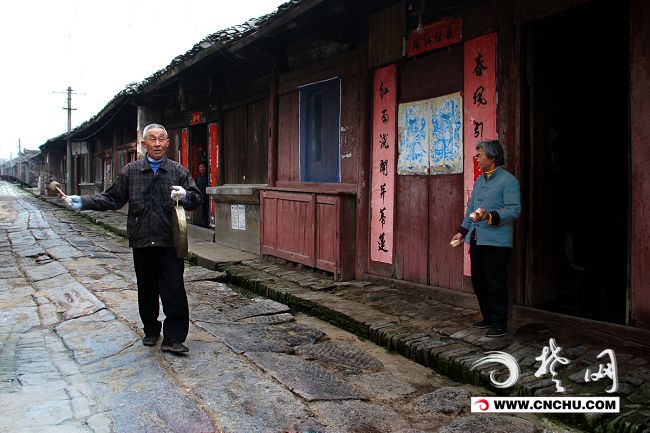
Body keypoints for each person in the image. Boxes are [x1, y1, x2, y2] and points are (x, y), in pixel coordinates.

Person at [62, 123, 202, 354]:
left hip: (171, 241)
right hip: (142, 240)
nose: (157, 143)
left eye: (161, 139)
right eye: (152, 139)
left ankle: (174, 338)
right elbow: (112, 199)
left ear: (168, 143)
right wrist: (83, 202)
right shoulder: (131, 171)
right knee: (147, 288)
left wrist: (186, 196)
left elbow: (197, 198)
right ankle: (151, 330)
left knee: (174, 289)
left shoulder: (178, 171)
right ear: (144, 143)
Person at [450, 139, 521, 338]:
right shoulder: (480, 180)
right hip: (476, 238)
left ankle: (500, 323)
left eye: (480, 155)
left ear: (493, 157)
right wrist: (462, 231)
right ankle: (488, 317)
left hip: (497, 241)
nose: (477, 159)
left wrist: (490, 216)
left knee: (495, 281)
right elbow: (471, 209)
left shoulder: (508, 181)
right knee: (479, 280)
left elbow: (514, 210)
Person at [195, 162, 209, 228]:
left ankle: (207, 223)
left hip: (207, 196)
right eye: (200, 167)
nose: (202, 168)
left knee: (207, 209)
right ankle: (203, 223)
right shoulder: (198, 177)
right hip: (201, 196)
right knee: (202, 210)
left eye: (203, 167)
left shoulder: (208, 176)